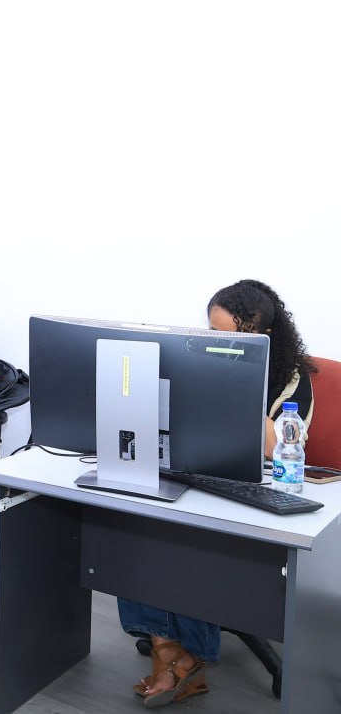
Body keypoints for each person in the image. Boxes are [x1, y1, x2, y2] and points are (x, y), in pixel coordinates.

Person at [118, 279, 316, 706]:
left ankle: (183, 659)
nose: (218, 344)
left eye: (232, 337)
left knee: (195, 541)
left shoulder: (293, 383)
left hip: (254, 490)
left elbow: (277, 446)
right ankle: (167, 650)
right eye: (213, 332)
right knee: (136, 523)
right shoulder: (195, 358)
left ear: (262, 337)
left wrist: (238, 378)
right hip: (196, 471)